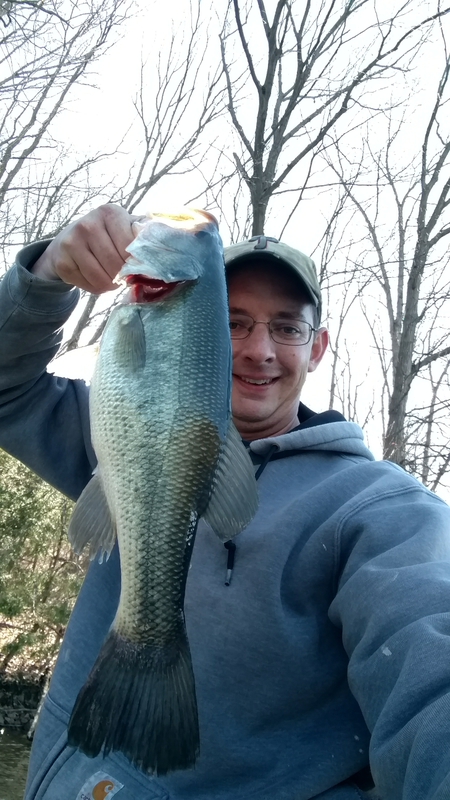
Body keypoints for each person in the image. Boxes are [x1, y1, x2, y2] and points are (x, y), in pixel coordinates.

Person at [1, 204, 450, 800]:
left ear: (316, 347)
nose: (260, 350)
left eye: (286, 327)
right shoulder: (123, 430)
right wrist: (44, 278)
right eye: (233, 322)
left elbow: (429, 657)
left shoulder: (382, 510)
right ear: (204, 330)